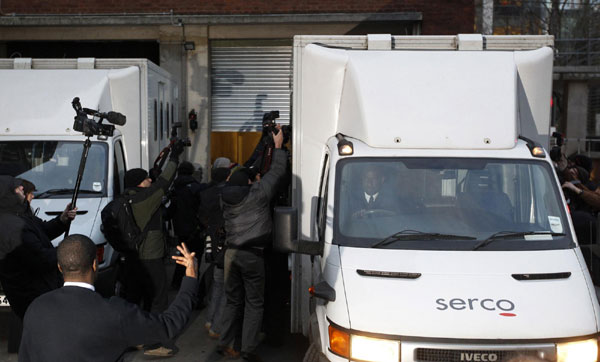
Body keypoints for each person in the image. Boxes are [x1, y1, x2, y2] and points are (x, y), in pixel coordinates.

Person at [18, 234, 199, 362]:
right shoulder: (115, 312)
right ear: (95, 264)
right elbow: (169, 325)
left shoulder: (36, 307)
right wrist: (190, 277)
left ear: (59, 267)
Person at [218, 127, 286, 362]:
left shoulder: (224, 196)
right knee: (254, 303)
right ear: (249, 182)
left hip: (230, 254)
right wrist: (277, 147)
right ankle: (247, 348)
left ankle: (225, 342)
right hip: (252, 255)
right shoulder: (257, 194)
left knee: (232, 300)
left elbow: (250, 171)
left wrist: (263, 145)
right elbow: (276, 172)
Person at [121, 141, 183, 356]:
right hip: (150, 256)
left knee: (134, 300)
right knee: (158, 298)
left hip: (131, 258)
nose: (150, 180)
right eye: (147, 179)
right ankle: (154, 344)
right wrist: (174, 157)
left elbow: (156, 180)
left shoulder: (126, 199)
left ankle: (132, 339)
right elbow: (165, 182)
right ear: (140, 183)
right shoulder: (146, 198)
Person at [0, 175, 77, 320]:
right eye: (17, 187)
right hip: (33, 297)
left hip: (42, 292)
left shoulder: (21, 214)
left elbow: (43, 230)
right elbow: (42, 259)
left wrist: (62, 219)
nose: (22, 188)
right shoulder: (11, 226)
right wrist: (69, 251)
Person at [201, 160, 231, 339]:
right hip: (225, 243)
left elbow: (201, 215)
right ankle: (217, 327)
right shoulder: (229, 194)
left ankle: (209, 319)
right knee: (226, 287)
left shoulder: (205, 194)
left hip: (211, 239)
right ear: (227, 177)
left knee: (217, 284)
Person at [168, 161, 206, 288]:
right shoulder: (197, 188)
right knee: (195, 259)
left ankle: (177, 283)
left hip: (181, 230)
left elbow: (170, 212)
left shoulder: (175, 189)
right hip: (196, 230)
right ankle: (193, 286)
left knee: (182, 257)